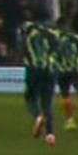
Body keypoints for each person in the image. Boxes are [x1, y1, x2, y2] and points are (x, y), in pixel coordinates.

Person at [19, 11, 62, 143]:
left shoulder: (28, 28)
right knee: (47, 102)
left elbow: (22, 45)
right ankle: (50, 134)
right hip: (50, 68)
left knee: (30, 96)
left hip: (34, 67)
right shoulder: (54, 31)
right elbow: (58, 49)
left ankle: (37, 116)